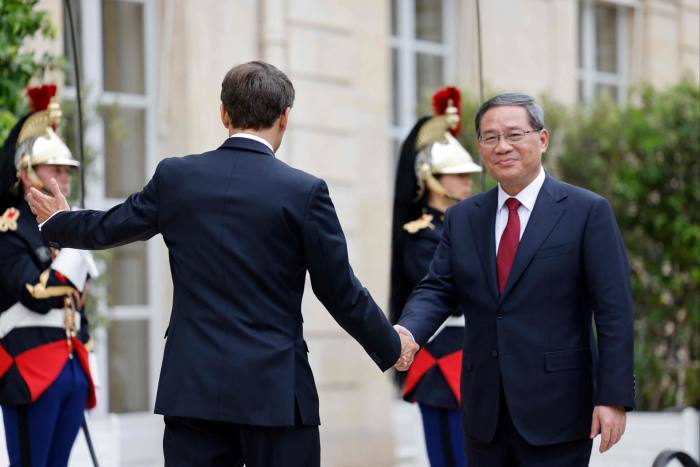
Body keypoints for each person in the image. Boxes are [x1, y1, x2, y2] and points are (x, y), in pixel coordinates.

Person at [27, 61, 417, 467]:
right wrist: (391, 346)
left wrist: (59, 222)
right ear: (285, 118)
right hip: (275, 395)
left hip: (192, 391)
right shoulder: (304, 191)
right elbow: (340, 291)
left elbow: (109, 228)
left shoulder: (176, 177)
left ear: (224, 114)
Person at [395, 93, 634, 467]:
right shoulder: (464, 218)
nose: (502, 146)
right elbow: (438, 287)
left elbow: (614, 311)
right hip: (482, 413)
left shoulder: (586, 212)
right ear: (479, 148)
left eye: (514, 134)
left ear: (542, 139)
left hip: (559, 410)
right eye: (490, 138)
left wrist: (613, 397)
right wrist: (408, 331)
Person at [0, 85, 97, 467]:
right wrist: (75, 245)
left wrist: (85, 353)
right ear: (26, 172)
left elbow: (78, 304)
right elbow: (35, 293)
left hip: (71, 366)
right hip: (29, 367)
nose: (63, 177)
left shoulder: (63, 229)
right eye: (53, 168)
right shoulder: (9, 228)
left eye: (67, 170)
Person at [390, 87, 481, 467]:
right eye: (456, 175)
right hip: (443, 360)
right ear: (431, 178)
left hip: (473, 357)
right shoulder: (421, 233)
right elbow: (452, 294)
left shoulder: (472, 224)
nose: (467, 182)